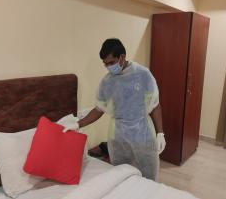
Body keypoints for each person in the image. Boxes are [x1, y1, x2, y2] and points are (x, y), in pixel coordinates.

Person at [63, 38, 166, 180]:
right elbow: (99, 109)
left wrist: (160, 133)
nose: (108, 67)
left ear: (122, 57)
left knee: (148, 176)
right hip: (119, 136)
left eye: (111, 63)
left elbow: (155, 105)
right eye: (105, 64)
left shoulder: (143, 75)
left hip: (142, 134)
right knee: (120, 176)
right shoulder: (107, 82)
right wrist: (78, 124)